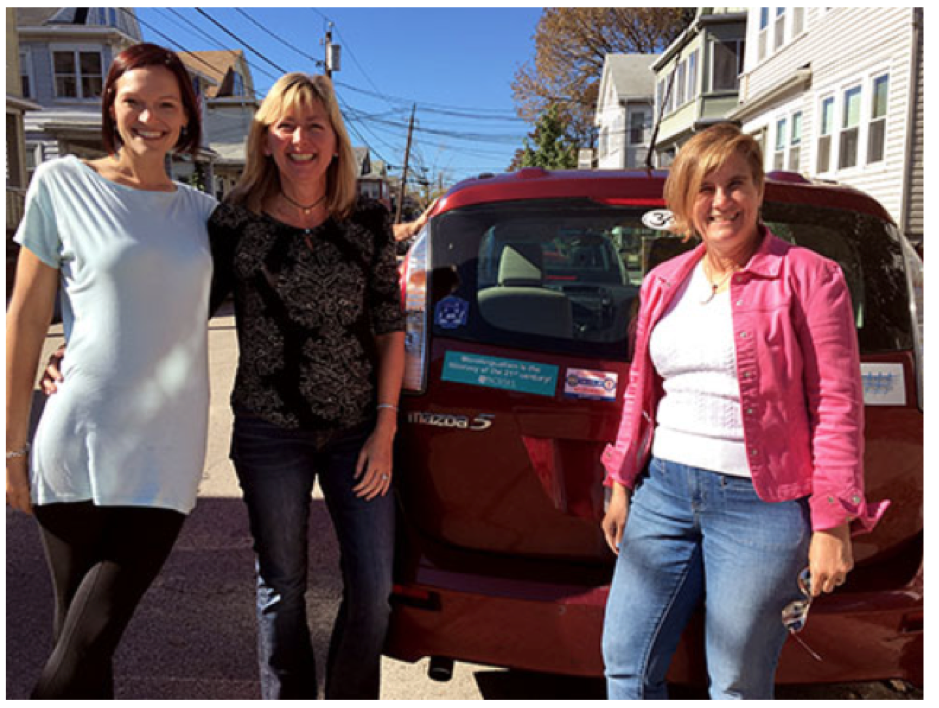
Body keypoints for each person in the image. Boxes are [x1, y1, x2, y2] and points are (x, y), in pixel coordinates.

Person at [599, 123, 889, 699]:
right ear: (686, 200)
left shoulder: (809, 276)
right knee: (626, 665)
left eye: (736, 184)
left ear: (759, 190)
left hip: (762, 506)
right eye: (705, 188)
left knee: (736, 682)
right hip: (663, 494)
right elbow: (642, 390)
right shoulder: (663, 282)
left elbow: (837, 404)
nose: (721, 201)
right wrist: (620, 481)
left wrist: (831, 522)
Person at [5, 43, 216, 698]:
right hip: (77, 441)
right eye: (133, 101)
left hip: (169, 450)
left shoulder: (207, 215)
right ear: (110, 107)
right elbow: (27, 315)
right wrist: (11, 444)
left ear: (185, 119)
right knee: (85, 647)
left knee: (90, 637)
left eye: (165, 105)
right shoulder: (62, 183)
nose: (148, 117)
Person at [206, 72, 405, 700]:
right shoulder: (232, 223)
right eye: (285, 125)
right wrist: (82, 339)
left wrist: (385, 428)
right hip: (270, 433)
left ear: (335, 140)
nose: (300, 138)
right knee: (282, 586)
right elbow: (175, 305)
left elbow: (389, 327)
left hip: (356, 434)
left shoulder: (366, 220)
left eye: (315, 125)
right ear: (265, 140)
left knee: (374, 585)